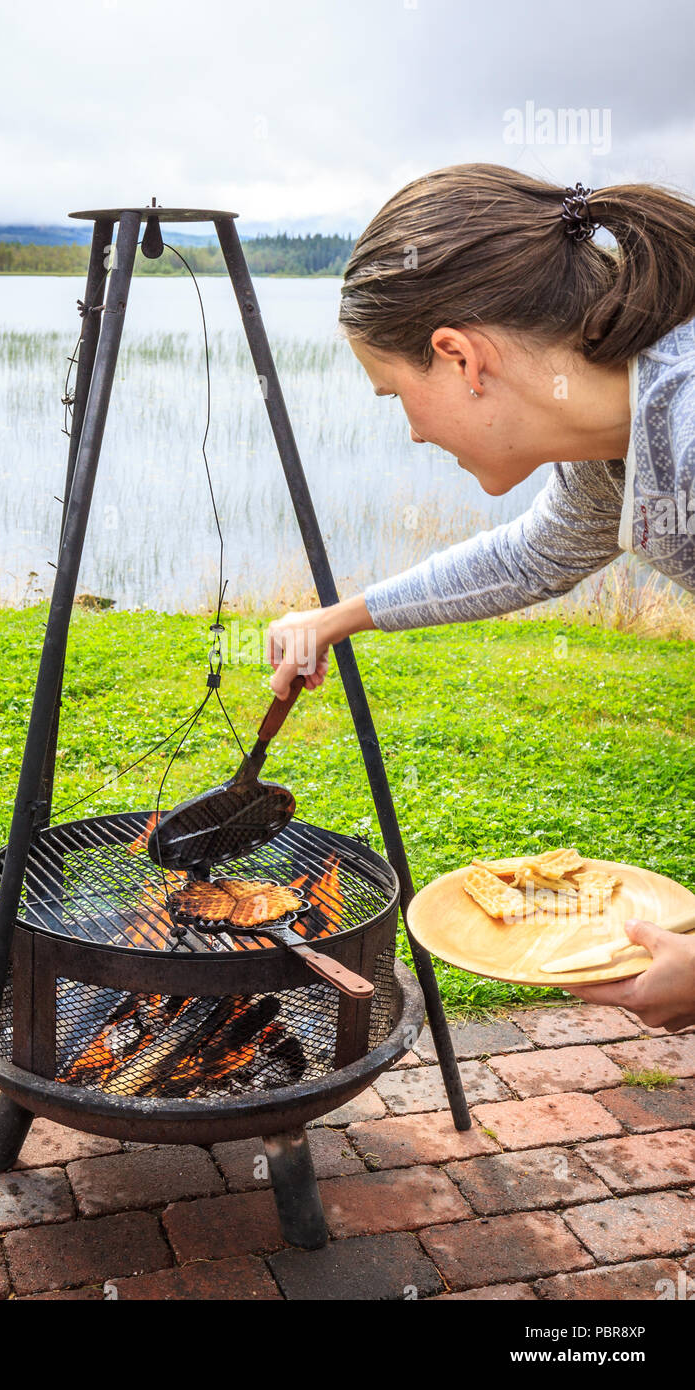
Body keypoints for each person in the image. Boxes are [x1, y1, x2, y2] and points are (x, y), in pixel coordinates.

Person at [265, 164, 695, 1031]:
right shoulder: (616, 431)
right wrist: (341, 618)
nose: (415, 430)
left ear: (461, 357)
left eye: (397, 396)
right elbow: (536, 554)